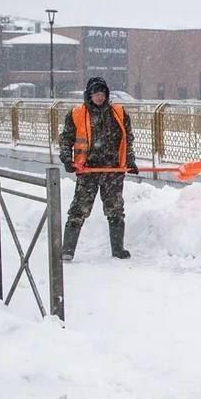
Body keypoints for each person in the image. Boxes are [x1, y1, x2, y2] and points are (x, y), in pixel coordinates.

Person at [58, 77, 138, 261]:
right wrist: (66, 159)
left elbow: (128, 140)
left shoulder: (119, 113)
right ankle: (67, 250)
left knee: (115, 210)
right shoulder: (77, 114)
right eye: (96, 94)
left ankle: (118, 249)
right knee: (79, 209)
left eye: (102, 94)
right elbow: (66, 139)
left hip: (113, 171)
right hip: (88, 170)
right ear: (89, 95)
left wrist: (130, 161)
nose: (100, 97)